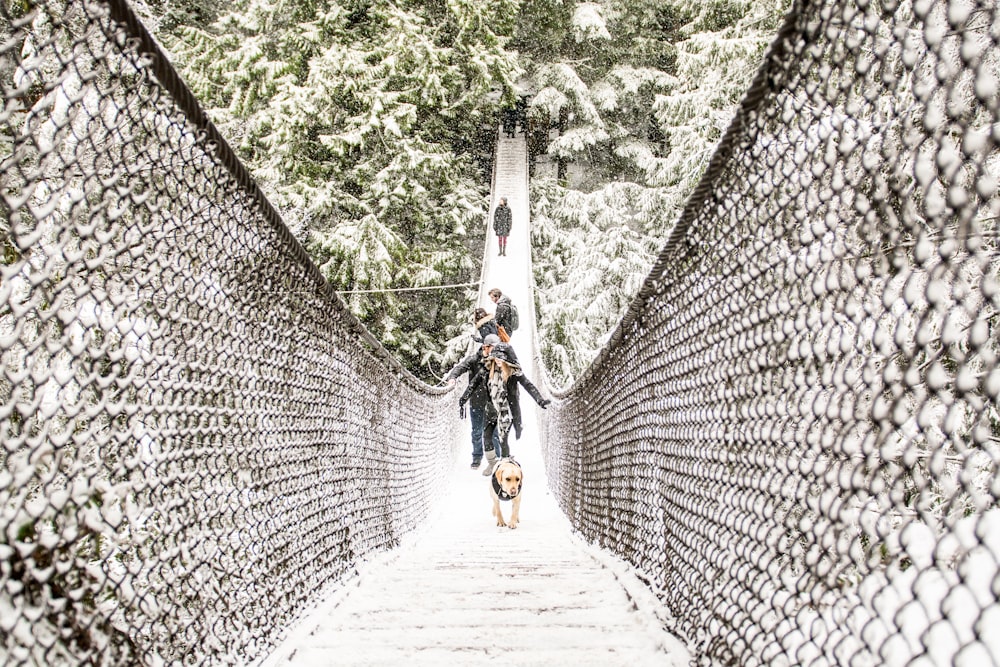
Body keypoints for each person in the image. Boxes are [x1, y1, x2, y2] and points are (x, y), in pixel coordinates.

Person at [459, 335, 549, 475]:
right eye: (496, 358)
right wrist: (463, 399)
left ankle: (506, 465)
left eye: (501, 358)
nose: (499, 361)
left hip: (506, 410)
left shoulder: (514, 373)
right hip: (491, 408)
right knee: (486, 437)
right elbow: (473, 384)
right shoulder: (487, 369)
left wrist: (540, 400)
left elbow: (528, 386)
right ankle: (493, 464)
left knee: (503, 439)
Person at [446, 341, 502, 469]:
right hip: (476, 403)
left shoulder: (497, 361)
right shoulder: (474, 360)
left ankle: (497, 459)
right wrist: (453, 377)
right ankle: (477, 457)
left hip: (492, 403)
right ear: (485, 348)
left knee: (494, 433)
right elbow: (460, 367)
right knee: (476, 431)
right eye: (492, 348)